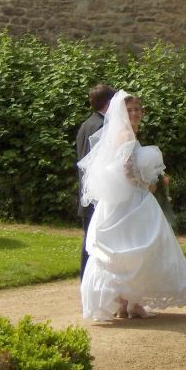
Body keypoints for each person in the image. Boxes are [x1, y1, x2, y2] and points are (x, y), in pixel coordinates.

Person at [79, 91, 186, 320]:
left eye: (137, 109)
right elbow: (126, 168)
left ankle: (126, 303)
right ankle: (129, 302)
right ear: (121, 113)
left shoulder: (125, 132)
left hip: (127, 199)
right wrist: (146, 185)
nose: (135, 113)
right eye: (130, 110)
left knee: (130, 247)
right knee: (136, 247)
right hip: (131, 198)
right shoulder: (125, 133)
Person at [75, 84, 116, 281]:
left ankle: (87, 284)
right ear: (109, 103)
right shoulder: (102, 126)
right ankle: (93, 286)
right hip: (98, 194)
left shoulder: (86, 124)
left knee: (89, 241)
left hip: (87, 191)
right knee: (97, 242)